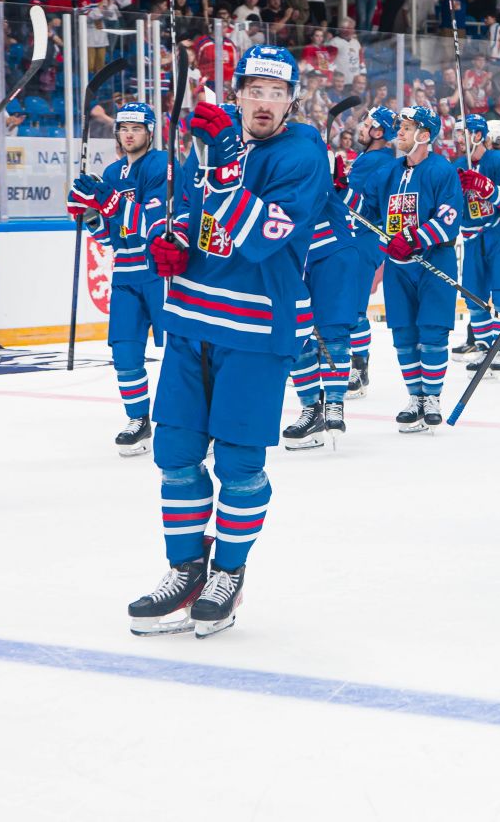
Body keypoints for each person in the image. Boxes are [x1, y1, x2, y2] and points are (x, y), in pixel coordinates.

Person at [126, 44, 330, 639]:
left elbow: (260, 234)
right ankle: (186, 569)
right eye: (254, 90)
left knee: (240, 465)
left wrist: (220, 168)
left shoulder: (303, 155)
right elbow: (191, 213)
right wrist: (172, 244)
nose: (264, 102)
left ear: (292, 99)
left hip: (256, 332)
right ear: (237, 92)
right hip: (191, 321)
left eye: (277, 92)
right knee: (175, 457)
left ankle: (228, 573)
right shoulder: (210, 145)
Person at [354, 104, 465, 433]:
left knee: (431, 332)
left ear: (424, 134)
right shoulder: (388, 171)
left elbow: (449, 218)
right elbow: (366, 209)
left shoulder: (440, 170)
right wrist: (335, 192)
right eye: (400, 127)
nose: (398, 132)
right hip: (398, 266)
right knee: (403, 334)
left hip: (433, 261)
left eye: (406, 127)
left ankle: (431, 398)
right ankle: (414, 397)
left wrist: (416, 238)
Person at [66, 102, 167, 456]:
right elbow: (109, 236)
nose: (129, 134)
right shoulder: (111, 173)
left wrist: (109, 203)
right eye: (123, 128)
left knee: (179, 353)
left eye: (136, 129)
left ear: (150, 132)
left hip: (160, 271)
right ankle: (138, 420)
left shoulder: (162, 165)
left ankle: (189, 419)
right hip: (125, 272)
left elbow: (155, 226)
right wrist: (89, 215)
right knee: (124, 352)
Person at [280, 114, 361, 451]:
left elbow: (355, 206)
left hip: (331, 251)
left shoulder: (309, 142)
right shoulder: (266, 150)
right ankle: (310, 407)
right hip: (290, 254)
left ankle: (335, 402)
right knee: (295, 334)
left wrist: (342, 185)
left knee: (334, 331)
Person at [454, 116, 500, 372]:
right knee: (474, 295)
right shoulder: (458, 166)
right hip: (472, 237)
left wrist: (486, 187)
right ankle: (483, 344)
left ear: (479, 135)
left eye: (464, 133)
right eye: (457, 133)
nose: (459, 138)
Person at [340, 106, 399, 398]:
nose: (361, 129)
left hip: (363, 240)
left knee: (354, 306)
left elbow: (355, 203)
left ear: (378, 132)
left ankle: (358, 368)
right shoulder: (372, 158)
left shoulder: (376, 161)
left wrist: (336, 185)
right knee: (349, 303)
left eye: (366, 125)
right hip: (360, 240)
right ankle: (354, 365)